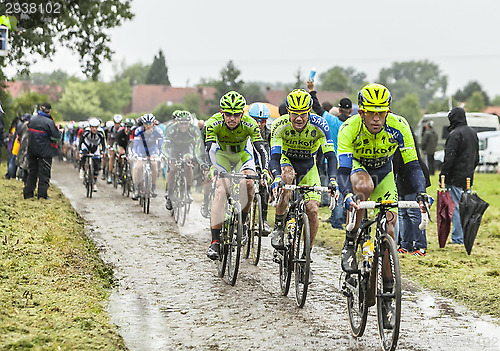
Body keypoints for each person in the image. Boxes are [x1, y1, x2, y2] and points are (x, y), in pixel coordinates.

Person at [337, 83, 429, 273]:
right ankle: (351, 240)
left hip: (384, 172)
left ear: (388, 111)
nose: (377, 118)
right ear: (361, 113)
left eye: (381, 113)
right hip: (358, 168)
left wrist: (421, 192)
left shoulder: (399, 125)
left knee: (390, 229)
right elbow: (343, 169)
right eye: (371, 113)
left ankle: (387, 286)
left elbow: (413, 165)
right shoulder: (349, 128)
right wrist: (346, 194)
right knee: (364, 187)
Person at [269, 89, 338, 281]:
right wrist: (276, 177)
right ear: (288, 112)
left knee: (313, 209)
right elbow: (274, 157)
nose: (299, 118)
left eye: (303, 114)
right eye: (294, 114)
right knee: (287, 179)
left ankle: (306, 256)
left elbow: (331, 156)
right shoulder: (280, 125)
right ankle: (280, 226)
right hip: (286, 161)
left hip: (309, 166)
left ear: (309, 112)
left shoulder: (320, 125)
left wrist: (332, 180)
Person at [205, 91, 270, 260]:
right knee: (221, 189)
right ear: (222, 113)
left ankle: (241, 221)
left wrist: (264, 170)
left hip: (243, 156)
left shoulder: (250, 124)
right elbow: (208, 148)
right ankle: (215, 241)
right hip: (221, 156)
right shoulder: (213, 123)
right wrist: (211, 167)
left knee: (248, 183)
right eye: (228, 114)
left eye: (236, 114)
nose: (232, 118)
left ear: (242, 113)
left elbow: (261, 149)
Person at [307, 79, 353, 229]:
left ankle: (337, 221)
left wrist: (312, 90)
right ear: (351, 111)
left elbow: (317, 108)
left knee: (335, 191)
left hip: (332, 161)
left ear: (338, 109)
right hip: (349, 162)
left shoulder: (330, 120)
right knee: (348, 190)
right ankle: (347, 219)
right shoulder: (353, 124)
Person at [439, 107, 479, 244]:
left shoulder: (455, 134)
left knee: (455, 207)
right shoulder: (473, 133)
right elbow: (476, 157)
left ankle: (458, 238)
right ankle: (466, 236)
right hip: (468, 177)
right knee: (467, 207)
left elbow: (449, 158)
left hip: (454, 177)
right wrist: (470, 171)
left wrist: (443, 175)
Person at [393, 129, 431, 256]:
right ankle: (405, 245)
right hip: (400, 179)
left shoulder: (400, 131)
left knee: (414, 214)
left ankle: (420, 246)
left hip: (412, 178)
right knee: (403, 214)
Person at [164, 110, 203, 210]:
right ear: (177, 122)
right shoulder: (172, 129)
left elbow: (198, 145)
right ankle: (169, 193)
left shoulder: (194, 130)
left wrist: (195, 156)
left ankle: (188, 190)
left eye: (186, 123)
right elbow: (165, 145)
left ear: (190, 122)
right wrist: (168, 156)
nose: (184, 126)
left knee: (188, 165)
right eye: (181, 123)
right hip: (174, 148)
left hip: (187, 148)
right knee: (172, 168)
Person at [23, 103, 61, 199]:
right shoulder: (49, 122)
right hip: (45, 152)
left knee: (32, 173)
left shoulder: (32, 119)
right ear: (49, 111)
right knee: (44, 175)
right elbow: (56, 136)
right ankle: (42, 196)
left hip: (31, 150)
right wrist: (60, 131)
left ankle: (28, 194)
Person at [247, 102, 272, 235]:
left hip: (261, 162)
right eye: (255, 120)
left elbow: (271, 151)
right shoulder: (244, 129)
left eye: (262, 121)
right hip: (245, 161)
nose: (258, 124)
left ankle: (263, 220)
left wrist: (268, 170)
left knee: (264, 185)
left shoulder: (269, 132)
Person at [131, 113, 164, 199]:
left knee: (154, 165)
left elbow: (161, 146)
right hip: (141, 150)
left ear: (153, 124)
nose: (148, 126)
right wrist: (134, 154)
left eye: (150, 124)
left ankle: (153, 187)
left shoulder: (158, 131)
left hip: (152, 150)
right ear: (143, 124)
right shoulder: (138, 131)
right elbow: (135, 146)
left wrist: (160, 155)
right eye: (146, 124)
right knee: (139, 167)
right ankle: (137, 189)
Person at [78, 118, 107, 191]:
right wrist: (80, 150)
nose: (94, 129)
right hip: (86, 146)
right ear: (90, 127)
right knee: (84, 156)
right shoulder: (86, 132)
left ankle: (94, 183)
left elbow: (103, 143)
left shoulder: (100, 133)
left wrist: (103, 151)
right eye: (93, 127)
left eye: (96, 127)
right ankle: (82, 168)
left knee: (97, 163)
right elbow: (81, 141)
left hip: (95, 147)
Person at [106, 114, 123, 183]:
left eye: (118, 123)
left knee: (121, 158)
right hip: (113, 144)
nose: (117, 125)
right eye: (116, 123)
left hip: (120, 144)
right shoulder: (111, 129)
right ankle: (109, 174)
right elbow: (109, 139)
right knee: (111, 157)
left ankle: (120, 172)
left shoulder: (122, 129)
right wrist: (109, 146)